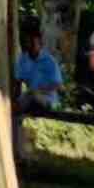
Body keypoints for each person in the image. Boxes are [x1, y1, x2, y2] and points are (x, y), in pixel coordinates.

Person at [13, 24, 64, 160]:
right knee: (14, 113)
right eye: (26, 42)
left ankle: (21, 152)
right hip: (29, 100)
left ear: (39, 42)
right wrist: (14, 100)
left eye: (32, 42)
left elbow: (59, 87)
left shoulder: (49, 61)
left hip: (48, 100)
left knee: (31, 95)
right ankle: (19, 152)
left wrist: (38, 91)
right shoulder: (23, 59)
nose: (28, 45)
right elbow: (17, 83)